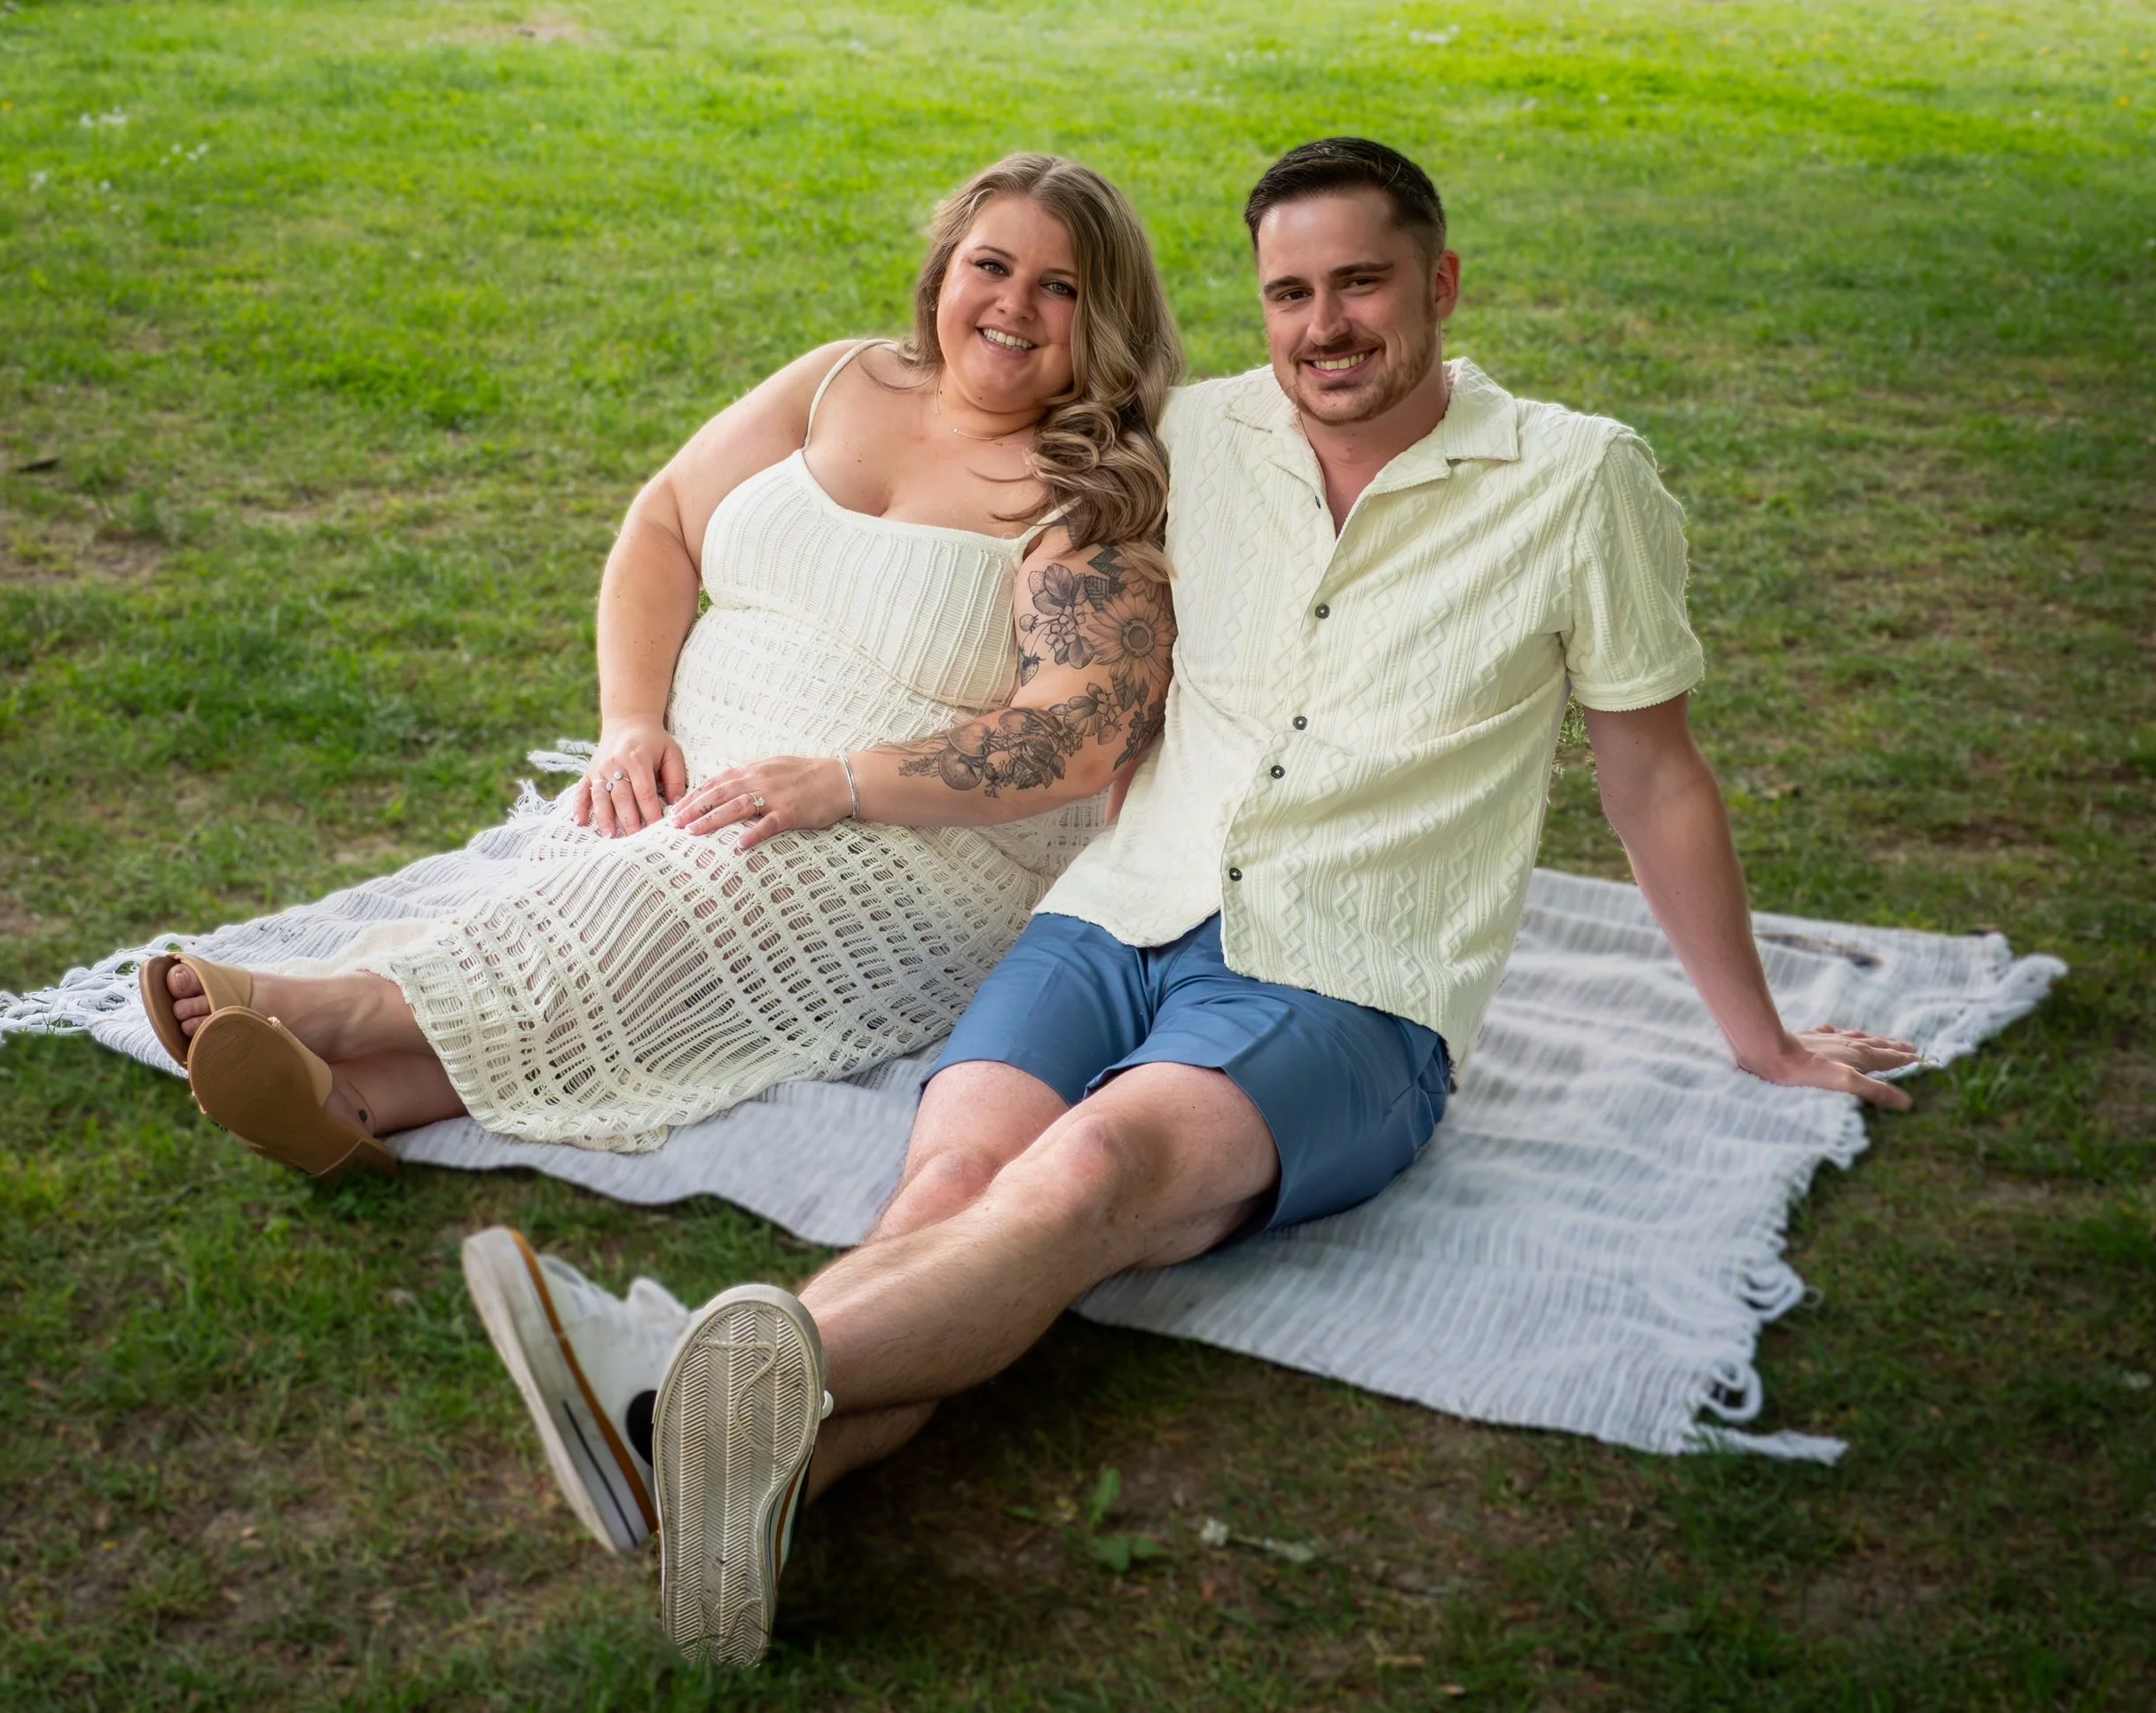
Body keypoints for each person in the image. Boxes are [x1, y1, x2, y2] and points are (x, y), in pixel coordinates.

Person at [461, 138, 1923, 1666]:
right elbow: (1002, 483)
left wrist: (1756, 1033)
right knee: (950, 1191)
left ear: (1442, 282)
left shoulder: (1576, 476)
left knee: (1083, 1178)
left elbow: (1655, 778)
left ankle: (671, 1381)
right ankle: (745, 1484)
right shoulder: (1197, 435)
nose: (1324, 325)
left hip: (1348, 972)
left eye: (1361, 282)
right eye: (1290, 292)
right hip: (1111, 912)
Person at [127, 155, 1183, 1180]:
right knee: (629, 866)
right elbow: (665, 524)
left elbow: (1075, 733)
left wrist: (837, 781)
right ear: (943, 272)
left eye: (1061, 289)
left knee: (697, 885)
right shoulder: (838, 380)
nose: (1014, 305)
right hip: (711, 765)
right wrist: (630, 724)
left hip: (920, 842)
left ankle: (343, 1007)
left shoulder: (1089, 494)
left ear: (1104, 324)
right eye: (990, 267)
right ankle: (362, 1102)